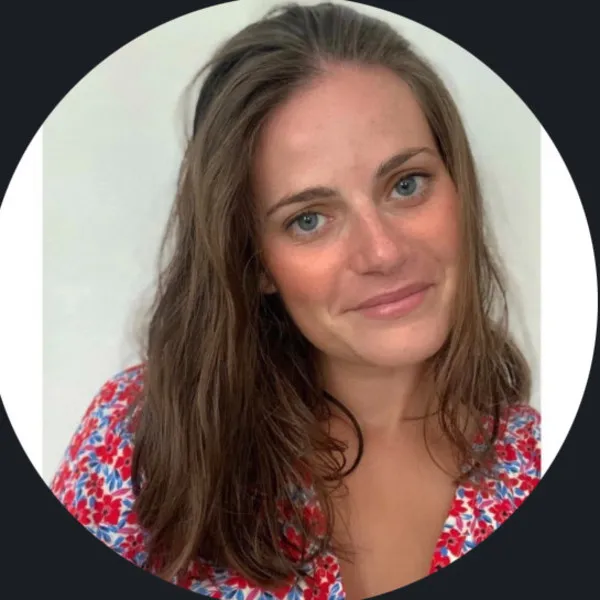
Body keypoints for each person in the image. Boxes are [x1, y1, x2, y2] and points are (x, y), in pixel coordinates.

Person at [50, 3, 541, 599]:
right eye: (308, 219)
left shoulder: (536, 464)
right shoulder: (140, 439)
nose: (383, 252)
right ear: (255, 261)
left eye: (406, 184)